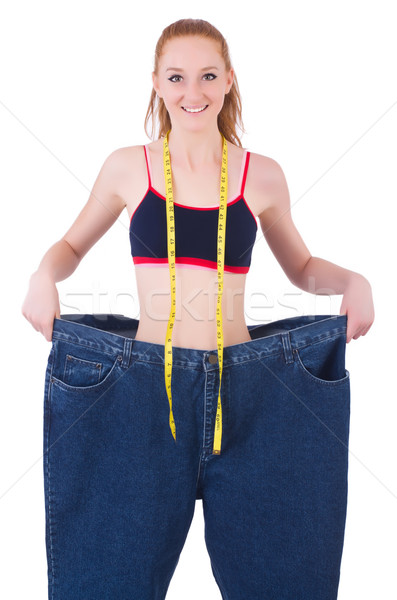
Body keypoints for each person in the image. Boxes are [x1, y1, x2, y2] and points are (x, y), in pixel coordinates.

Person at [21, 18, 374, 600]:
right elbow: (71, 247)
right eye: (177, 77)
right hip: (142, 393)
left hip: (251, 393)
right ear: (157, 84)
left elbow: (302, 268)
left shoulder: (259, 176)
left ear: (229, 81)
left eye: (208, 76)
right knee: (106, 581)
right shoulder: (128, 168)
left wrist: (352, 280)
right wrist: (42, 274)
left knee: (283, 581)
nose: (194, 92)